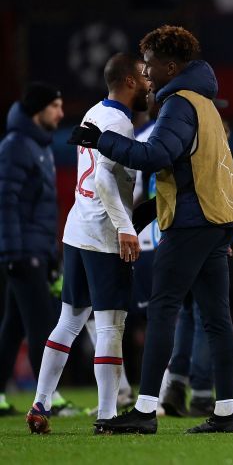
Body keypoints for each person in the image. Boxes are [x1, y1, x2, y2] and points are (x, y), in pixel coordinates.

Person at [68, 25, 233, 434]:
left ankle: (145, 410)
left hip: (192, 222)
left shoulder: (180, 103)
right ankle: (226, 412)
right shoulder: (202, 100)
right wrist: (141, 216)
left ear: (170, 65)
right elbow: (184, 169)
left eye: (149, 65)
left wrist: (102, 142)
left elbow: (156, 154)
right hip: (214, 218)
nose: (146, 74)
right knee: (217, 318)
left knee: (163, 307)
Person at [26, 54, 147, 434]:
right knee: (111, 327)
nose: (149, 82)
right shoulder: (119, 123)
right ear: (128, 81)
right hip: (103, 236)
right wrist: (126, 227)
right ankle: (108, 416)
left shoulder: (94, 112)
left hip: (77, 230)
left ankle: (40, 402)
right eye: (144, 76)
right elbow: (105, 181)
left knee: (69, 322)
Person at [0, 82, 64, 417]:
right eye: (55, 105)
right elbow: (6, 202)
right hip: (23, 252)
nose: (61, 112)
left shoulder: (38, 145)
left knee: (13, 326)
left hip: (34, 249)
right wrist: (13, 254)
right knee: (42, 324)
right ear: (38, 109)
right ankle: (47, 396)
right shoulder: (16, 146)